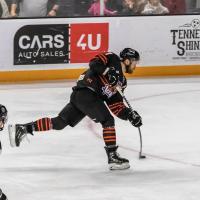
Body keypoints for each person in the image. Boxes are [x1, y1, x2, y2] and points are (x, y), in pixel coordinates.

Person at [8, 48, 142, 170]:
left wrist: (130, 115)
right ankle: (112, 156)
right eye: (135, 62)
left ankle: (23, 128)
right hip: (86, 92)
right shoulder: (111, 58)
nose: (136, 66)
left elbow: (116, 106)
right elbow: (94, 63)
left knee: (60, 123)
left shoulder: (122, 83)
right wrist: (108, 71)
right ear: (127, 60)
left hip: (84, 98)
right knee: (107, 120)